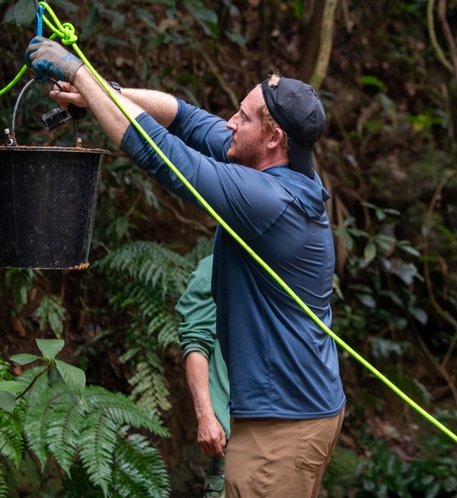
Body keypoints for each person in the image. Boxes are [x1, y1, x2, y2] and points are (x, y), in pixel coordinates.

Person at [25, 37, 345, 498]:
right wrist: (103, 90)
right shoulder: (278, 167)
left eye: (243, 117)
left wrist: (80, 74)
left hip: (282, 426)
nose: (230, 123)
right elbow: (186, 119)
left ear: (275, 138)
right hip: (299, 411)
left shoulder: (269, 200)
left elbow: (163, 155)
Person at [176, 254, 229, 497]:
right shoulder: (214, 267)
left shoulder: (285, 263)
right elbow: (196, 344)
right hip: (233, 437)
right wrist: (205, 416)